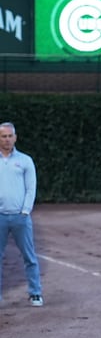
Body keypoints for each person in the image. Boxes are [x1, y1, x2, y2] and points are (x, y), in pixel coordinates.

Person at [0, 122, 44, 307]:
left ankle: (35, 293)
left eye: (10, 136)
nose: (7, 139)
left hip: (20, 217)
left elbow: (30, 188)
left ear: (15, 138)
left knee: (29, 256)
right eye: (3, 136)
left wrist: (25, 211)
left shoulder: (25, 161)